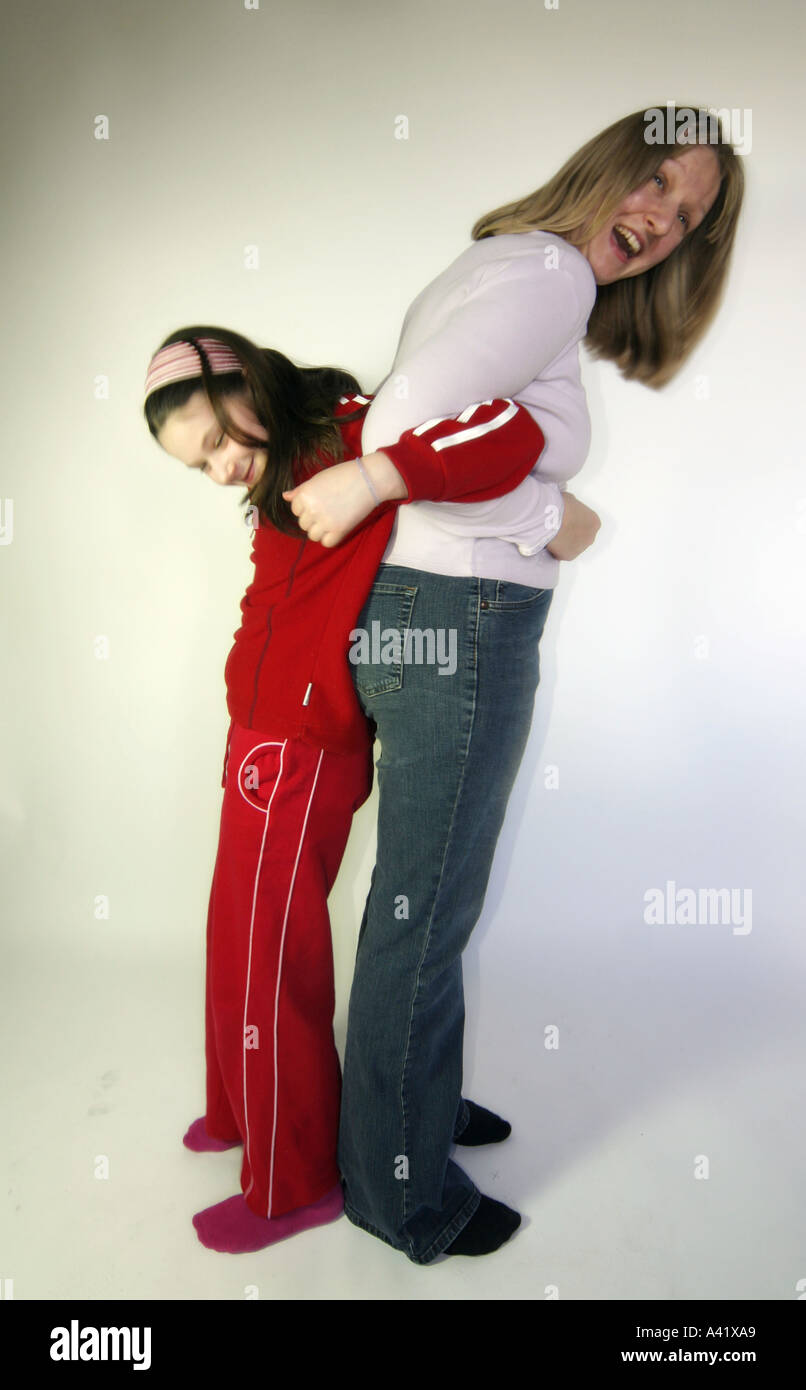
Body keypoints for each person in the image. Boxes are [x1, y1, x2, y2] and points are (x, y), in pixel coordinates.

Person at [285, 105, 745, 1263]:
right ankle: (397, 1188)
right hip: (462, 618)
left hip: (418, 612)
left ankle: (411, 1113)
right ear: (606, 165)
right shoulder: (547, 271)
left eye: (685, 216)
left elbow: (430, 426)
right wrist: (554, 515)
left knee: (420, 896)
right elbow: (402, 428)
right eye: (654, 179)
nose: (659, 219)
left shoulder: (503, 260)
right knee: (426, 909)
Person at [142, 329, 573, 1252]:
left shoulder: (355, 435)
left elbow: (508, 430)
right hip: (259, 731)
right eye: (200, 464)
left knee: (275, 957)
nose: (220, 470)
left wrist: (385, 471)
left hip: (302, 739)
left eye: (218, 441)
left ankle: (291, 1182)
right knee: (238, 931)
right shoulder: (287, 468)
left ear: (246, 381)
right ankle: (237, 1113)